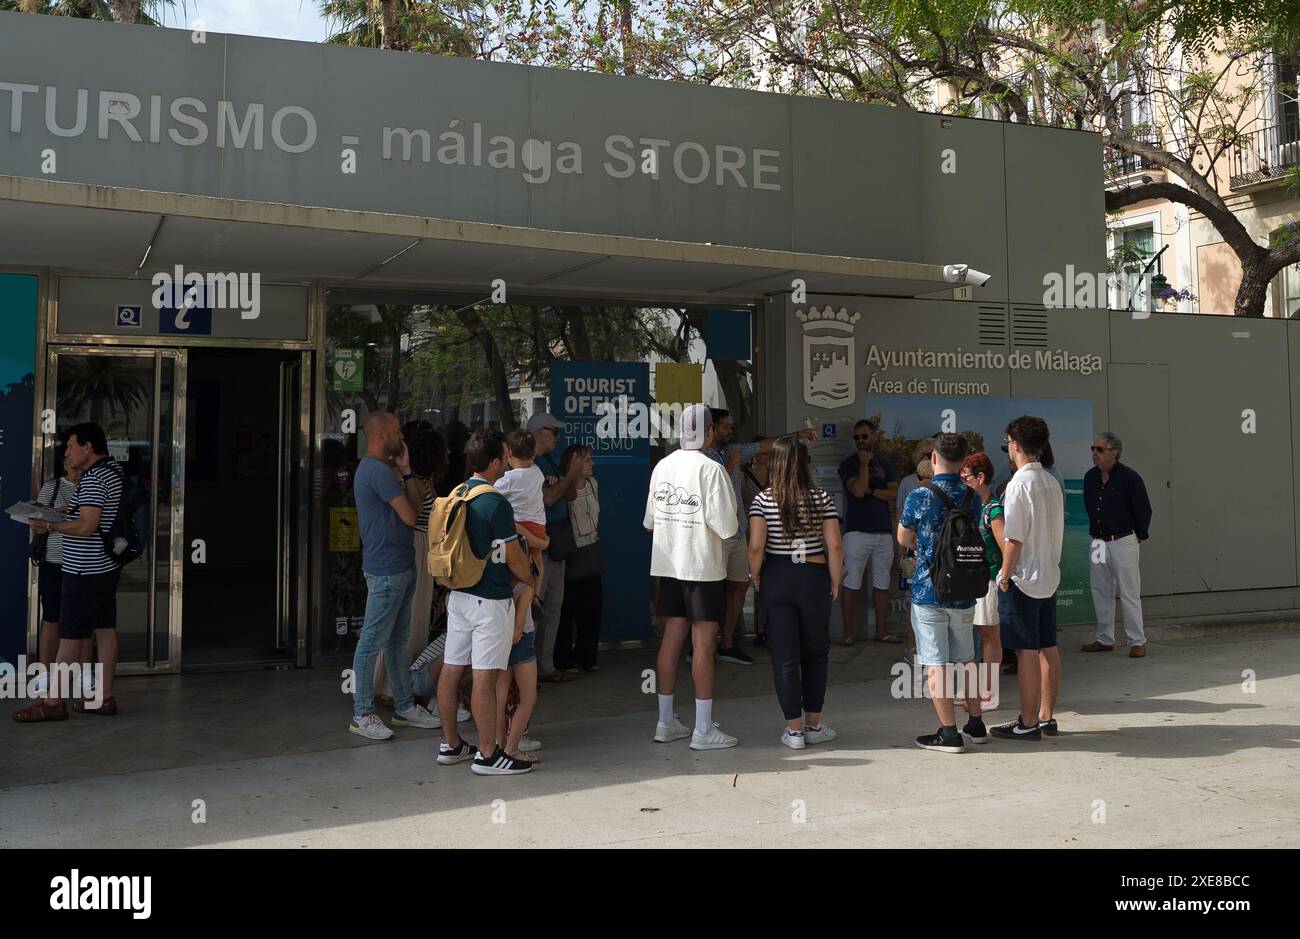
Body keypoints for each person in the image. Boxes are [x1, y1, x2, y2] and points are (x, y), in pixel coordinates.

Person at [435, 429, 537, 775]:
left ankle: (451, 744)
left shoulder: (458, 492)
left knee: (452, 668)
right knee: (485, 677)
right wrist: (529, 578)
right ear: (495, 461)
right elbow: (514, 558)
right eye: (504, 456)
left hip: (459, 595)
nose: (507, 461)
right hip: (489, 599)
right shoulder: (494, 502)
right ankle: (488, 755)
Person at [645, 404, 740, 750]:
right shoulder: (712, 469)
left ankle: (665, 721)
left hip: (669, 563)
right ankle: (702, 728)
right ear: (710, 432)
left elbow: (650, 522)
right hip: (702, 567)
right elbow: (728, 527)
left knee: (671, 637)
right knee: (703, 644)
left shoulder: (662, 466)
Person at [16, 423, 122, 721]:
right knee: (105, 629)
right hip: (106, 565)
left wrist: (48, 526)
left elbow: (86, 526)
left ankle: (52, 703)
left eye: (72, 446)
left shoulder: (92, 479)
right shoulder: (114, 473)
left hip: (84, 568)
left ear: (88, 448)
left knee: (71, 634)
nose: (68, 452)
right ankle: (104, 698)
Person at [347, 411, 440, 740]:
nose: (402, 437)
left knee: (396, 641)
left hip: (398, 566)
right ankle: (361, 713)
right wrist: (401, 474)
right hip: (387, 569)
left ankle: (404, 706)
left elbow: (413, 507)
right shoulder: (376, 472)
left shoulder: (385, 471)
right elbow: (412, 515)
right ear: (382, 435)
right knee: (371, 642)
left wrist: (406, 470)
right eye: (398, 432)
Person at [748, 436, 843, 749]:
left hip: (777, 575)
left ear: (775, 464)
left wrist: (755, 575)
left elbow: (757, 545)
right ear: (806, 464)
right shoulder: (822, 498)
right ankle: (814, 724)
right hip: (812, 576)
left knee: (784, 656)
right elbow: (834, 544)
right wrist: (834, 580)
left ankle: (794, 731)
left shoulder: (762, 500)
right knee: (816, 653)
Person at [703, 410, 816, 665]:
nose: (730, 431)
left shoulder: (735, 449)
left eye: (732, 427)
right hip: (714, 535)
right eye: (725, 427)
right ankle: (701, 646)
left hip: (738, 532)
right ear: (711, 429)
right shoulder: (703, 456)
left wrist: (798, 435)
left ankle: (728, 643)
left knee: (738, 587)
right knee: (711, 591)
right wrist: (729, 466)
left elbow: (766, 444)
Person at [897, 433, 985, 753]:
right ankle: (976, 722)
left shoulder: (920, 495)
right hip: (964, 588)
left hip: (929, 590)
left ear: (933, 457)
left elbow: (903, 536)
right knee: (968, 659)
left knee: (936, 663)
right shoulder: (972, 497)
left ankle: (949, 733)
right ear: (964, 462)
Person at [992, 416, 1065, 741]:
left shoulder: (1019, 484)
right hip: (1049, 575)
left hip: (1024, 578)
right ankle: (1047, 716)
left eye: (1008, 441)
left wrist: (1004, 574)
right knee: (1048, 646)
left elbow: (1014, 538)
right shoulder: (1051, 480)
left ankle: (1027, 720)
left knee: (1026, 651)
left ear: (1016, 445)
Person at [374, 422, 448, 705]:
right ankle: (393, 687)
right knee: (410, 620)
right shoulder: (412, 479)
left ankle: (395, 684)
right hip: (417, 548)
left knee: (412, 620)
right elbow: (415, 516)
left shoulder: (418, 479)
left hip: (421, 547)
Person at [1082, 432, 1153, 658]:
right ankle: (1104, 638)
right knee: (1100, 590)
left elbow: (1143, 509)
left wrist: (1138, 536)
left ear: (1115, 453)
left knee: (1129, 592)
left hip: (1123, 540)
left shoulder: (1130, 478)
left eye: (1099, 449)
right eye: (1093, 449)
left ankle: (1137, 641)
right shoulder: (1089, 477)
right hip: (1098, 542)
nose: (1094, 453)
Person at [527, 412, 584, 683]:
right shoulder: (531, 464)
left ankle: (545, 665)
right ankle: (531, 667)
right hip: (540, 545)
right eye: (553, 432)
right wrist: (570, 474)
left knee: (554, 606)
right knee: (537, 609)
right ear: (539, 433)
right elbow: (548, 499)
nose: (558, 437)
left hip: (558, 543)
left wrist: (568, 476)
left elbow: (569, 494)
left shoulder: (550, 461)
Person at [27, 455, 90, 699]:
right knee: (52, 619)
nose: (78, 473)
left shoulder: (91, 487)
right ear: (65, 467)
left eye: (81, 469)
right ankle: (45, 673)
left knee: (84, 621)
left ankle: (82, 673)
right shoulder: (52, 487)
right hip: (53, 562)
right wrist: (57, 514)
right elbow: (37, 525)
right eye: (74, 469)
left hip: (82, 562)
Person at [837, 418, 899, 646]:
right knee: (851, 583)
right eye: (856, 437)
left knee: (882, 584)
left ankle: (881, 632)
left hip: (883, 532)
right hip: (856, 532)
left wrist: (873, 490)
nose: (860, 441)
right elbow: (859, 491)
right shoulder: (849, 464)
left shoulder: (885, 463)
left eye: (864, 436)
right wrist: (864, 466)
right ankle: (847, 634)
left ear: (874, 436)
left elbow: (894, 493)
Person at [555, 443, 603, 672]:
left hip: (591, 550)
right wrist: (568, 478)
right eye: (586, 460)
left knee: (592, 609)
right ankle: (564, 659)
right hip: (570, 553)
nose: (591, 464)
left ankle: (587, 657)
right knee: (567, 610)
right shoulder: (562, 486)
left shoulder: (594, 484)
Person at [961, 452, 1003, 707]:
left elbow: (1005, 546)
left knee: (990, 635)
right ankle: (976, 689)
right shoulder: (970, 507)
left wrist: (1004, 576)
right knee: (976, 633)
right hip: (971, 579)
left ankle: (989, 691)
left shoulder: (993, 510)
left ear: (980, 477)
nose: (962, 481)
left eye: (965, 477)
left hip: (989, 580)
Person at [496, 428, 549, 596]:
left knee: (517, 569)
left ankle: (518, 594)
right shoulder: (537, 472)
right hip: (539, 528)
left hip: (519, 526)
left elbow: (490, 490)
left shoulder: (510, 479)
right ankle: (536, 597)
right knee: (538, 565)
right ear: (533, 456)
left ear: (508, 453)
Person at [495, 575, 541, 764]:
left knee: (499, 697)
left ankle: (499, 746)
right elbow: (519, 626)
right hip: (521, 644)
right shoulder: (525, 587)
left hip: (498, 640)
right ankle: (512, 748)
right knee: (528, 697)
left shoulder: (496, 585)